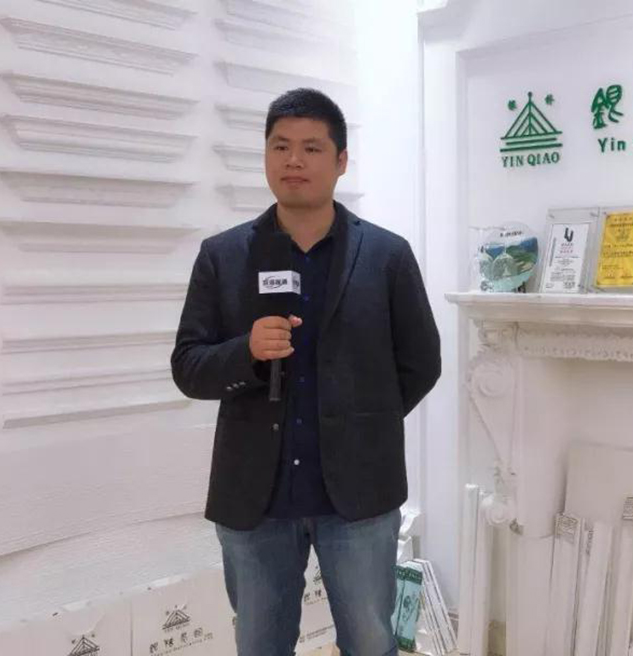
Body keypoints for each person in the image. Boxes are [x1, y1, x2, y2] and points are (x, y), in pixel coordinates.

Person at [171, 87, 441, 656]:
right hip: (255, 498)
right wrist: (246, 351)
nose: (294, 160)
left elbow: (421, 362)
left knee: (370, 642)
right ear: (266, 155)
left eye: (312, 148)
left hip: (359, 497)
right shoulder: (224, 255)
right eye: (281, 146)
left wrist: (362, 422)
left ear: (340, 161)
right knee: (260, 645)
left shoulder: (386, 255)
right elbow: (189, 367)